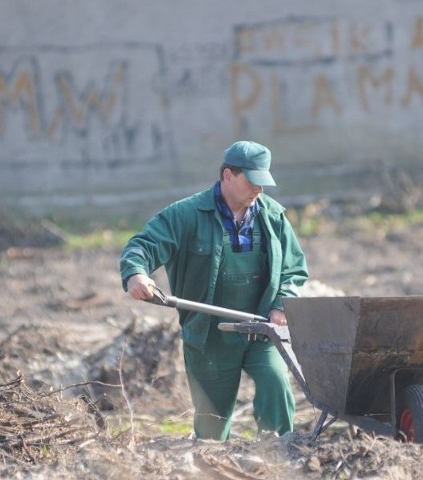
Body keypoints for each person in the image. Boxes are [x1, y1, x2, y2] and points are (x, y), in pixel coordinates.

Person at [119, 140, 309, 440]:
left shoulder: (273, 216)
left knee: (276, 382)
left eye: (263, 182)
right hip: (209, 336)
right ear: (228, 176)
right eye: (252, 182)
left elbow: (294, 268)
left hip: (261, 329)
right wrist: (136, 274)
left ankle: (281, 454)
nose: (259, 189)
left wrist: (280, 305)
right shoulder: (186, 215)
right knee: (212, 425)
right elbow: (142, 246)